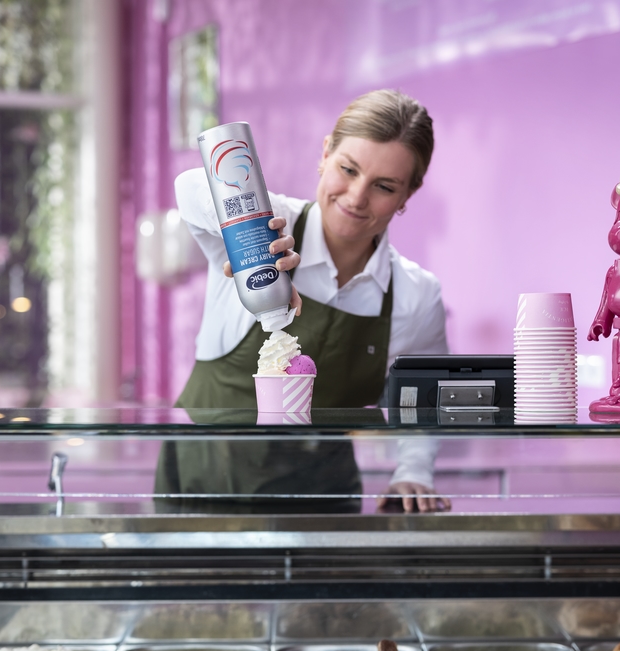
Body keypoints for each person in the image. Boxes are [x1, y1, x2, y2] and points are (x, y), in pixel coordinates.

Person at [158, 89, 449, 513]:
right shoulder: (267, 222)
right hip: (204, 485)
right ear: (326, 153)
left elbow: (422, 404)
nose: (356, 197)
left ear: (408, 195)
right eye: (347, 169)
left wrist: (413, 472)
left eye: (384, 186)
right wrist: (243, 226)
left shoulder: (415, 294)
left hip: (322, 500)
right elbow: (189, 186)